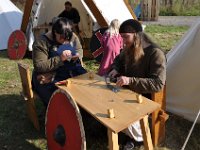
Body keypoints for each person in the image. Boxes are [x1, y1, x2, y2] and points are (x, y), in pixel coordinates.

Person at [108, 19, 166, 150]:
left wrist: (130, 80)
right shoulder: (129, 47)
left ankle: (138, 138)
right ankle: (126, 132)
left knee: (120, 111)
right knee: (106, 103)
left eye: (126, 37)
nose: (123, 41)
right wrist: (115, 68)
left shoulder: (155, 53)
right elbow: (118, 59)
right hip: (129, 91)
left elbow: (158, 84)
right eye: (121, 37)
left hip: (145, 96)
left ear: (136, 35)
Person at [32, 17, 86, 106]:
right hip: (48, 75)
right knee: (60, 97)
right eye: (62, 38)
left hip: (69, 70)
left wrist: (77, 55)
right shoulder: (41, 42)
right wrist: (60, 58)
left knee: (84, 83)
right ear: (55, 32)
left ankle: (84, 109)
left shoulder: (71, 36)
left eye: (68, 39)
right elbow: (39, 66)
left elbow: (79, 49)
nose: (65, 41)